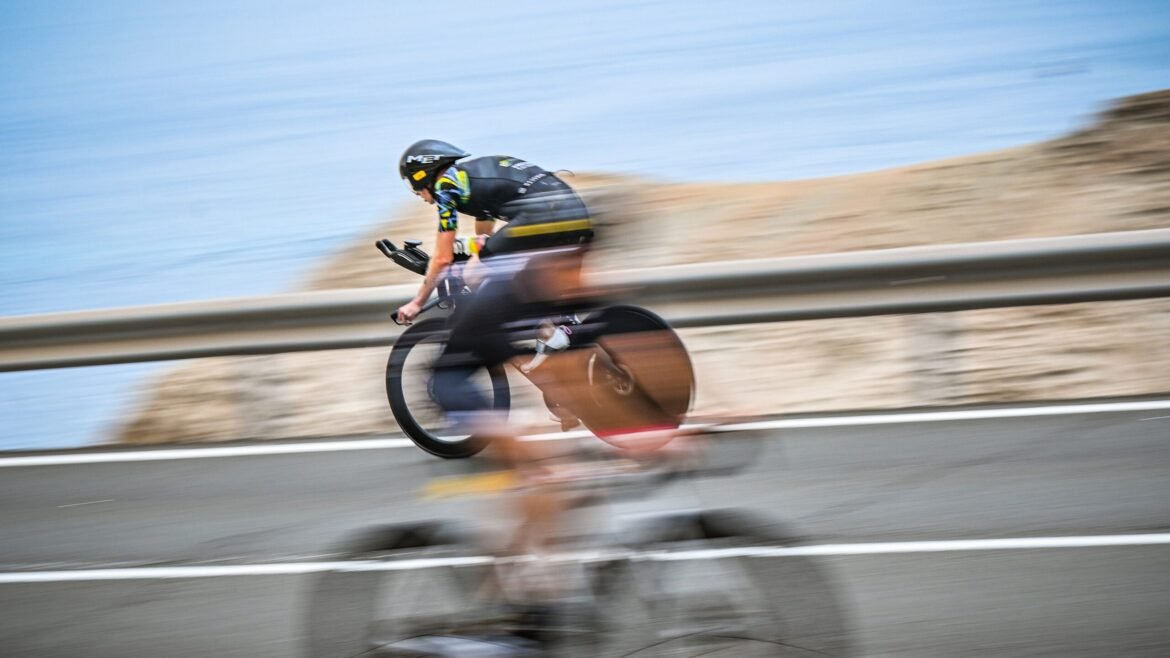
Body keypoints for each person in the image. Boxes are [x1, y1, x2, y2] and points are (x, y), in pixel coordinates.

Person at [394, 139, 594, 431]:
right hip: (573, 210)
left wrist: (417, 301)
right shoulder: (469, 177)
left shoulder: (446, 188)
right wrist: (476, 251)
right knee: (526, 281)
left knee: (479, 279)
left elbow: (443, 257)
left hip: (540, 215)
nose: (418, 195)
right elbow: (485, 231)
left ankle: (550, 335)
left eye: (414, 187)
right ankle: (565, 346)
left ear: (422, 175)